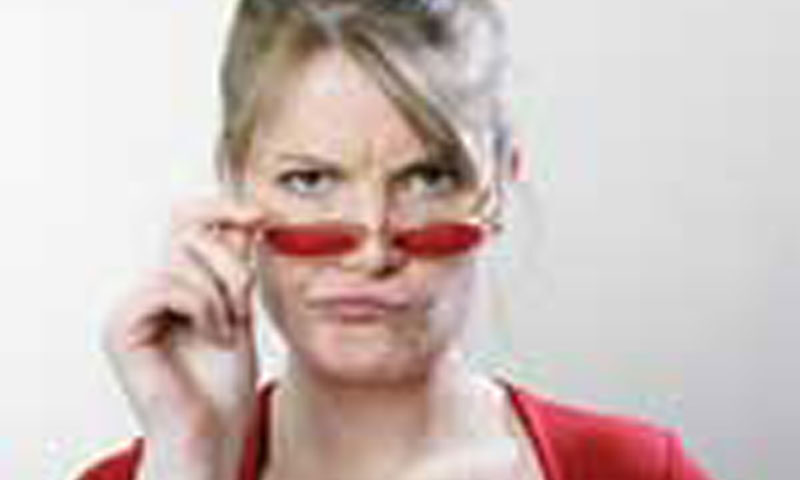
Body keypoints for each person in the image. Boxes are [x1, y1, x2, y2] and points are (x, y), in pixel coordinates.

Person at [75, 0, 714, 479]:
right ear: (235, 183)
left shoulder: (638, 471)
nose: (374, 253)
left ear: (497, 184)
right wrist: (191, 462)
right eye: (309, 180)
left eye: (427, 178)